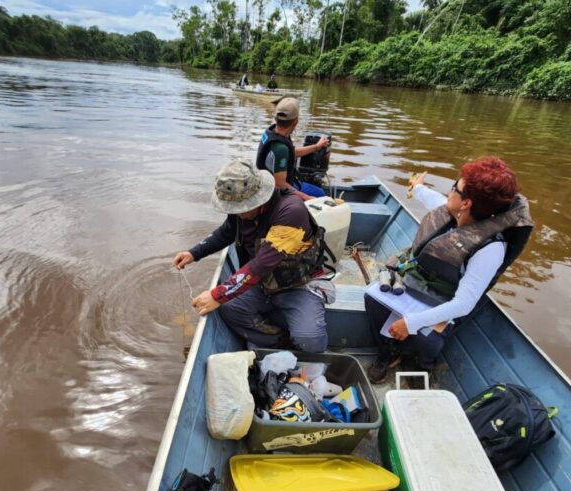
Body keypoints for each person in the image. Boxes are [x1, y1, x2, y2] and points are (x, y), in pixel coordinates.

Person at [364, 157, 533, 382]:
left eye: (454, 188)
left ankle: (423, 366)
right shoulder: (457, 214)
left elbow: (463, 304)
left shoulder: (490, 249)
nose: (449, 192)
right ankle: (388, 352)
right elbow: (433, 200)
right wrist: (417, 187)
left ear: (466, 204)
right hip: (422, 283)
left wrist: (411, 323)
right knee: (374, 298)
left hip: (449, 299)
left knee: (427, 339)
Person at [173, 157, 336, 353]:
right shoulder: (242, 210)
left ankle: (299, 332)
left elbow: (261, 264)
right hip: (263, 284)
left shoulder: (291, 212)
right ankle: (279, 340)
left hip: (299, 285)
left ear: (259, 196)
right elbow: (226, 232)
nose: (237, 213)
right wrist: (193, 253)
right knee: (228, 308)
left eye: (241, 209)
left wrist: (217, 294)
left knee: (310, 341)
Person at [255, 97, 329, 202]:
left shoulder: (273, 133)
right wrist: (308, 198)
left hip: (267, 181)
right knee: (320, 194)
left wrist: (316, 147)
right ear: (296, 122)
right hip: (274, 190)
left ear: (276, 119)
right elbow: (280, 185)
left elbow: (289, 152)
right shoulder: (280, 148)